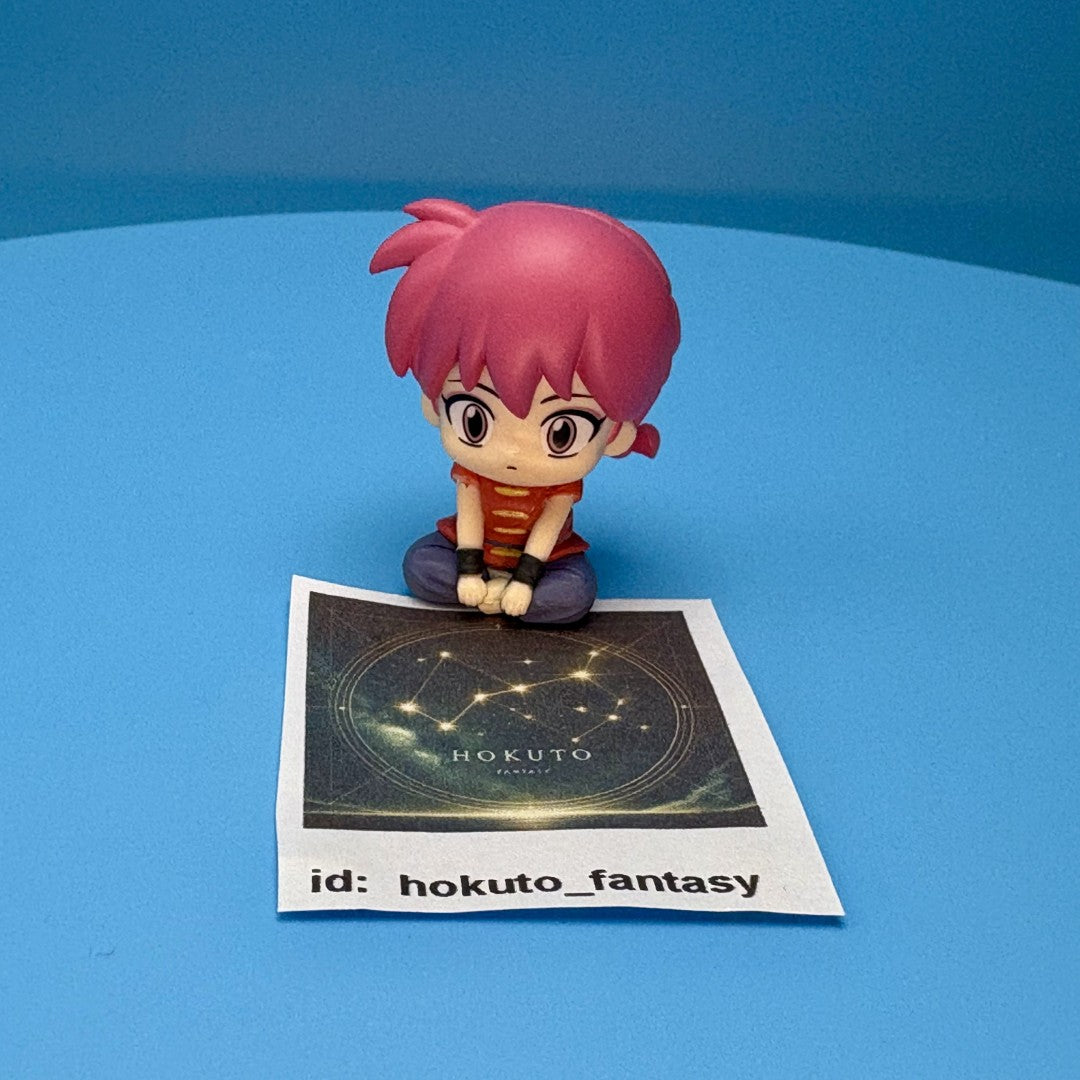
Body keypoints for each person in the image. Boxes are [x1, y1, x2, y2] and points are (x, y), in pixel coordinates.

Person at [370, 198, 680, 623]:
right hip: (470, 551)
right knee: (422, 566)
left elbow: (549, 528)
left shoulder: (560, 488)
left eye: (562, 432)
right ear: (433, 403)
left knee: (573, 594)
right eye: (475, 420)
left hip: (547, 562)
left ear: (615, 433)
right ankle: (490, 591)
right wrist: (469, 572)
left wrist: (523, 582)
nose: (513, 453)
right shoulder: (471, 476)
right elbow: (469, 515)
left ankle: (515, 595)